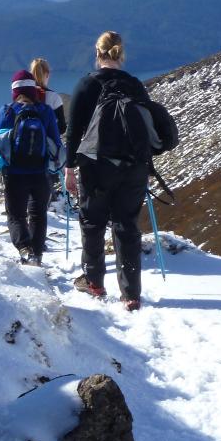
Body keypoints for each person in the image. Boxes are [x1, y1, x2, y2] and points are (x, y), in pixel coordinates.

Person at [64, 31, 153, 312]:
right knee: (127, 226)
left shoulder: (86, 85)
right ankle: (131, 295)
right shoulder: (135, 86)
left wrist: (69, 169)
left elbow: (74, 133)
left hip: (96, 168)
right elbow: (145, 129)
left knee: (93, 223)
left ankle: (94, 283)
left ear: (97, 52)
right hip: (133, 169)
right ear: (120, 53)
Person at [0, 70, 62, 265]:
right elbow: (56, 143)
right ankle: (37, 254)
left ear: (14, 91)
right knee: (38, 214)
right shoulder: (45, 111)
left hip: (15, 174)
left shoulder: (7, 110)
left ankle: (25, 249)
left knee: (16, 214)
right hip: (40, 174)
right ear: (33, 90)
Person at [30, 58, 66, 134]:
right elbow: (62, 127)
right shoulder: (54, 97)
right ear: (47, 74)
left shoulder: (25, 96)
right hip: (47, 142)